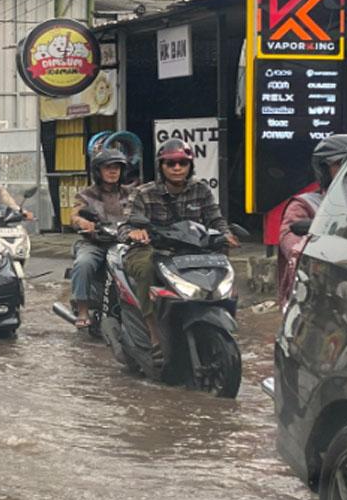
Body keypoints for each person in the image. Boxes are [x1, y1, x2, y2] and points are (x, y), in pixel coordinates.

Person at [119, 139, 236, 347]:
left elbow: (215, 219)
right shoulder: (143, 193)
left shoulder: (201, 190)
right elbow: (125, 226)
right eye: (170, 163)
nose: (177, 168)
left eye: (182, 163)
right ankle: (153, 330)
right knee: (146, 269)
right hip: (153, 249)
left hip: (191, 250)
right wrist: (135, 233)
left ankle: (222, 309)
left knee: (221, 259)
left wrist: (225, 234)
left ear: (189, 166)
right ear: (161, 167)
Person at [277, 133, 347, 307]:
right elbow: (291, 243)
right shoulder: (305, 205)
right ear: (323, 169)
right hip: (314, 296)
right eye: (341, 163)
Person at [69, 148, 135, 328]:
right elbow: (74, 216)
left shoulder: (132, 193)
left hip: (123, 242)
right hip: (95, 242)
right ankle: (82, 308)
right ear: (98, 171)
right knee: (84, 263)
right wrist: (82, 223)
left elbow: (144, 212)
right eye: (108, 168)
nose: (113, 171)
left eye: (117, 168)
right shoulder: (86, 195)